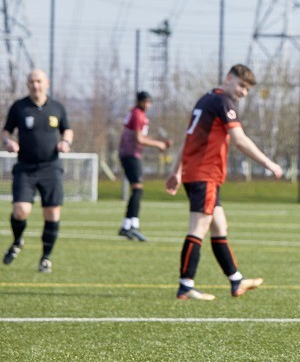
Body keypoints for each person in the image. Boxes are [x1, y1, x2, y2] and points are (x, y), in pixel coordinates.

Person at [164, 64, 282, 301]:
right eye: (241, 85)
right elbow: (239, 139)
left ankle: (236, 280)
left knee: (219, 226)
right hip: (204, 174)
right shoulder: (222, 102)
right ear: (229, 78)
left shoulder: (205, 100)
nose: (243, 92)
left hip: (198, 173)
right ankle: (186, 285)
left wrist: (176, 171)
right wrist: (269, 163)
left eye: (247, 89)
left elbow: (188, 139)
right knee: (198, 227)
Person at [0, 69, 73, 273]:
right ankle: (17, 241)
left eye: (39, 81)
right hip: (25, 168)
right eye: (32, 81)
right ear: (27, 84)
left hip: (51, 168)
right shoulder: (19, 107)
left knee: (52, 213)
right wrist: (7, 142)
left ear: (47, 83)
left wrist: (66, 142)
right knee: (21, 210)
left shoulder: (57, 107)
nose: (36, 85)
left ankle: (45, 258)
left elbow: (67, 129)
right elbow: (6, 131)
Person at [118, 90, 172, 242]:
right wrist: (158, 144)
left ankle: (127, 226)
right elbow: (139, 139)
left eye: (149, 102)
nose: (147, 105)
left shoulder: (138, 114)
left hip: (131, 154)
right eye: (145, 102)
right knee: (138, 189)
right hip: (130, 154)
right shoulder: (137, 114)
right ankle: (131, 226)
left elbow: (141, 136)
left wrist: (159, 142)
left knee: (137, 189)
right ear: (139, 102)